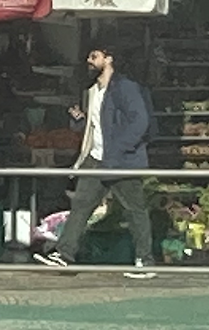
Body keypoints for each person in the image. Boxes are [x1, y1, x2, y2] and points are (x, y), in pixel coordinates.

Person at [34, 45, 157, 280]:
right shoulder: (93, 90)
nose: (89, 61)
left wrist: (118, 149)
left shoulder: (125, 88)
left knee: (134, 210)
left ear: (109, 59)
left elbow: (140, 122)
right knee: (81, 205)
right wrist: (80, 121)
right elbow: (97, 126)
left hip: (120, 161)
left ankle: (146, 260)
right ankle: (64, 254)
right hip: (96, 158)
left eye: (94, 56)